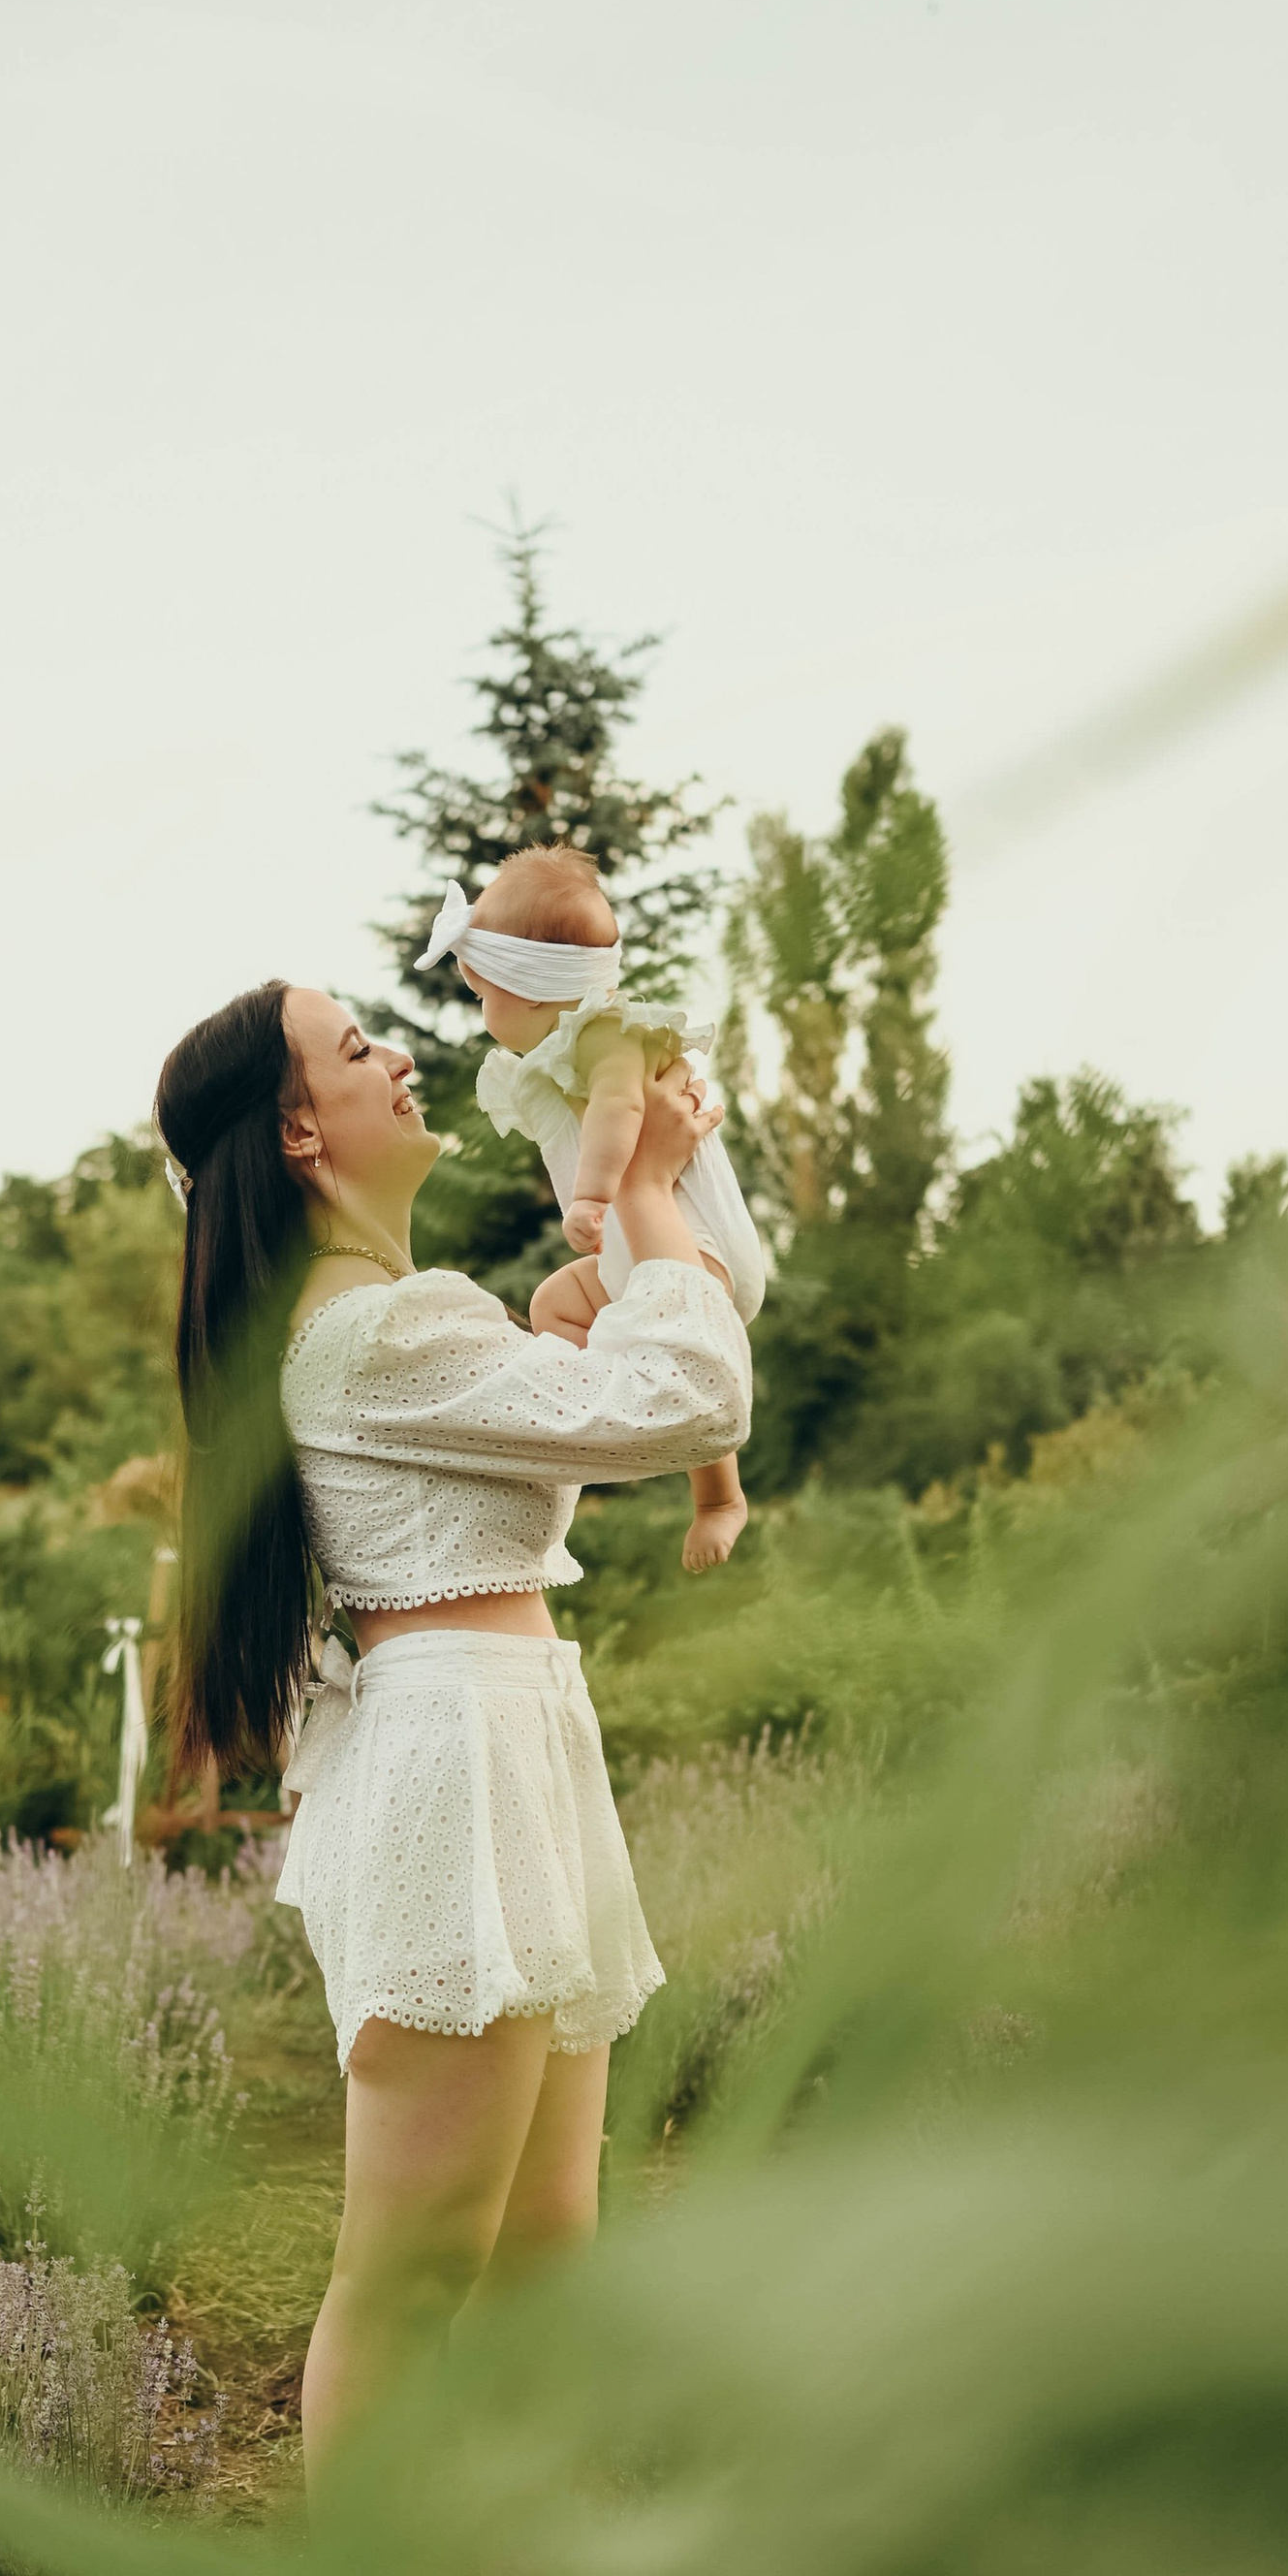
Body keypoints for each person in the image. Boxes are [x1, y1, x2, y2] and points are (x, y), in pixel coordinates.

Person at [154, 977, 751, 2469]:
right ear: (298, 1130)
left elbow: (588, 1393)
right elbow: (683, 1396)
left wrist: (585, 1282)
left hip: (517, 1731)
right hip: (455, 1757)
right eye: (358, 1049)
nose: (404, 1054)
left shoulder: (398, 1319)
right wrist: (661, 1186)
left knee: (545, 2244)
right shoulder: (365, 1329)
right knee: (414, 2264)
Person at [416, 845, 767, 1571]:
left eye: (484, 994)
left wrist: (593, 1195)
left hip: (694, 1243)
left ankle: (719, 1497)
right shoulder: (559, 1054)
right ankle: (607, 1412)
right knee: (555, 1306)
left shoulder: (610, 1035)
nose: (482, 1012)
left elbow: (621, 1107)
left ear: (531, 988)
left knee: (681, 1340)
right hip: (633, 1252)